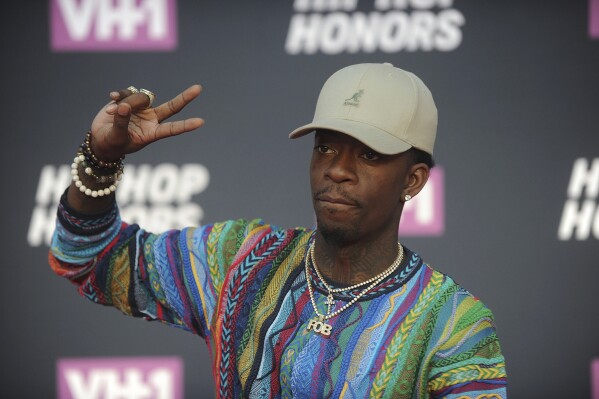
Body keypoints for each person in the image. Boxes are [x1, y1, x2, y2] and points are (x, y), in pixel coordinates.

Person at [49, 63, 507, 398]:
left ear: (413, 179)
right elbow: (91, 260)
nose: (338, 170)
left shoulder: (453, 326)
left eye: (368, 155)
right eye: (326, 147)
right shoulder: (240, 260)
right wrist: (101, 158)